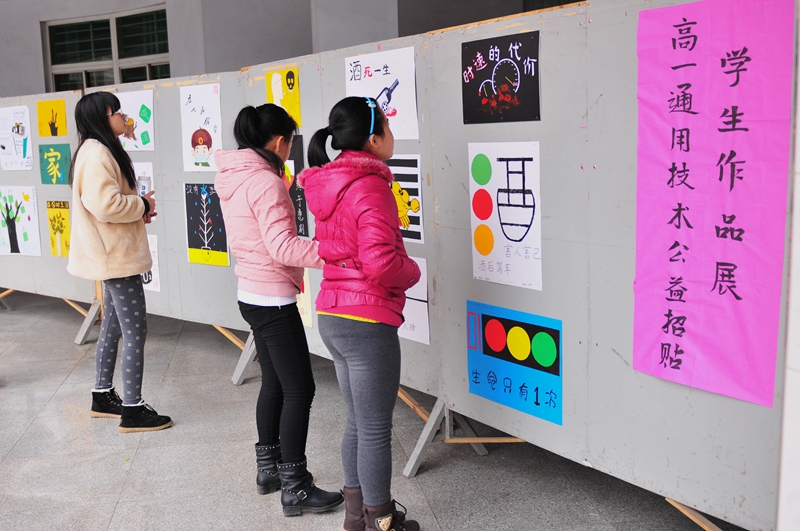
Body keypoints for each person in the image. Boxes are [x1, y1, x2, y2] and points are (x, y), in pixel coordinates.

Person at [214, 103, 344, 517]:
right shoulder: (266, 182)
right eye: (290, 143)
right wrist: (337, 252)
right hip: (272, 297)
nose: (290, 151)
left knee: (274, 383)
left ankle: (269, 470)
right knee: (300, 389)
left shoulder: (234, 176)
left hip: (251, 293)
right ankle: (295, 486)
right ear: (278, 142)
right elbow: (283, 247)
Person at [299, 96, 421, 531]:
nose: (391, 134)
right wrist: (413, 271)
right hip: (366, 319)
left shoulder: (329, 183)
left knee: (359, 422)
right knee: (374, 429)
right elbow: (381, 263)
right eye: (387, 126)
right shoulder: (370, 186)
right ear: (373, 138)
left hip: (334, 313)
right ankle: (381, 521)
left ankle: (356, 517)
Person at [67, 91, 171, 433]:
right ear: (103, 118)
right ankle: (133, 409)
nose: (124, 117)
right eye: (117, 113)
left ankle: (102, 395)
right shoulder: (98, 153)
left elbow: (108, 203)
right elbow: (106, 205)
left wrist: (139, 208)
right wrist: (141, 205)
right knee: (135, 331)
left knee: (113, 326)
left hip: (111, 253)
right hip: (116, 257)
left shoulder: (97, 148)